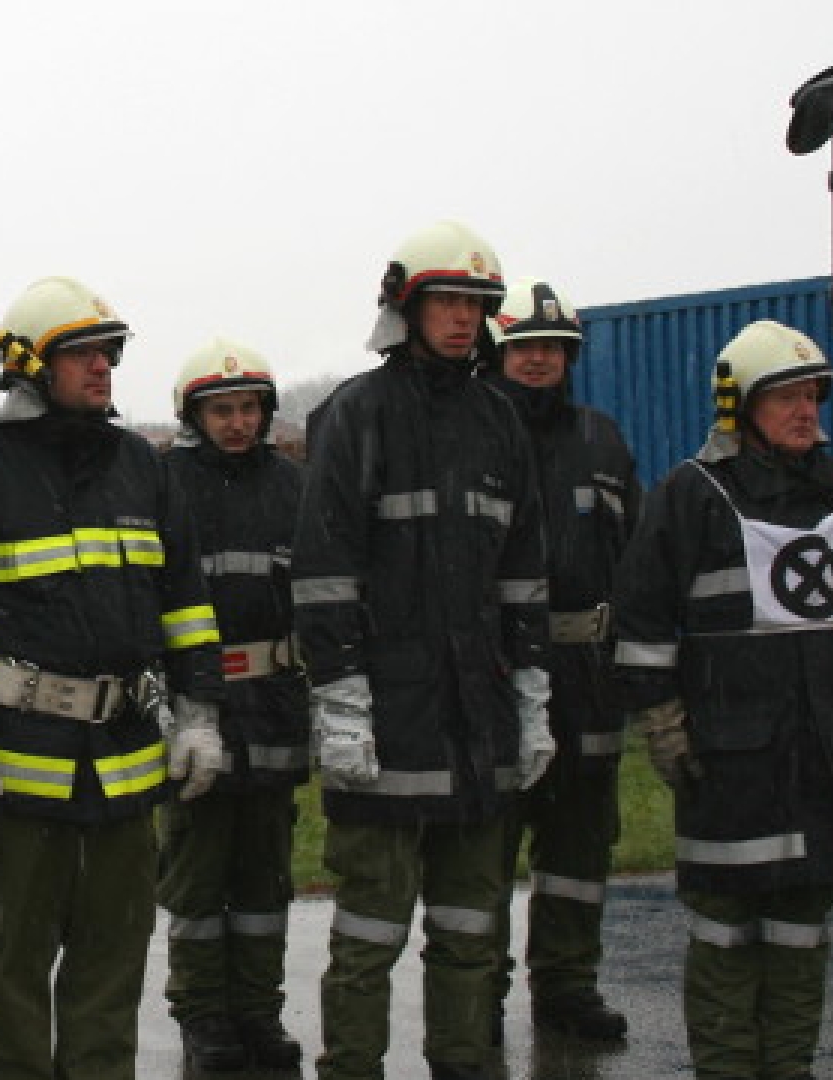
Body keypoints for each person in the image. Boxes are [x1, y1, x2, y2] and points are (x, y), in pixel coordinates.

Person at [0, 276, 225, 1080]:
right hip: (18, 765)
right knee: (13, 968)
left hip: (125, 766)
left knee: (112, 964)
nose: (102, 369)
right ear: (29, 366)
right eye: (81, 354)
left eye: (107, 355)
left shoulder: (144, 470)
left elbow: (186, 605)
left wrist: (200, 717)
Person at [290, 220, 553, 1080]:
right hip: (385, 722)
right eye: (445, 301)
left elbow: (523, 573)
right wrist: (341, 706)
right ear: (407, 306)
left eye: (477, 305)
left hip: (477, 725)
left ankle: (466, 1065)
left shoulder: (499, 421)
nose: (461, 320)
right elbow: (326, 574)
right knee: (369, 932)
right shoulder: (356, 415)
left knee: (472, 931)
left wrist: (532, 697)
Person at [610, 320, 833, 1080]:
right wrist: (665, 727)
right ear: (740, 406)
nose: (807, 411)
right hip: (728, 761)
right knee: (726, 937)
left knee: (802, 934)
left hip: (822, 757)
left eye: (812, 396)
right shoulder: (689, 497)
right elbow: (641, 628)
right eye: (786, 398)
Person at [478, 278, 640, 1045]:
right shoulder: (470, 435)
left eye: (553, 349)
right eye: (524, 348)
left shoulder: (602, 437)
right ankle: (473, 996)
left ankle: (568, 987)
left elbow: (634, 558)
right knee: (485, 847)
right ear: (498, 354)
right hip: (497, 670)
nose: (539, 360)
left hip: (587, 672)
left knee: (580, 842)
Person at [157, 337, 309, 1077]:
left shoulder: (292, 487)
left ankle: (259, 1010)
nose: (238, 422)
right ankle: (202, 1018)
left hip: (275, 706)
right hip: (197, 707)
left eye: (249, 407)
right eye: (222, 409)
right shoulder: (163, 485)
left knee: (264, 878)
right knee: (195, 873)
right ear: (194, 415)